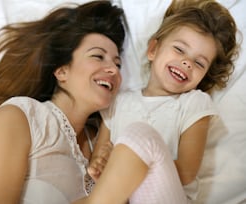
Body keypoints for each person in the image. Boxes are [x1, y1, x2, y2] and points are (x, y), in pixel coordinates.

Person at [80, 0, 239, 203]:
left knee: (139, 134)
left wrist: (124, 171)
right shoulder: (119, 102)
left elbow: (187, 171)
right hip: (118, 198)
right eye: (180, 50)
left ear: (204, 76)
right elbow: (97, 162)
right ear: (153, 49)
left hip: (165, 196)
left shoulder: (194, 103)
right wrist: (100, 164)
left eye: (199, 63)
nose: (186, 63)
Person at [0, 1, 125, 203]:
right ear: (62, 71)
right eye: (98, 56)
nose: (114, 69)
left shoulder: (105, 143)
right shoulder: (20, 117)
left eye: (118, 63)